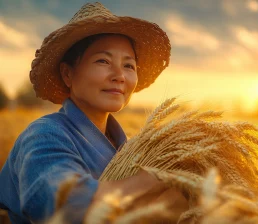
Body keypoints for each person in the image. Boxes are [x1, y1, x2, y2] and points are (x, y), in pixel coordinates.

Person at [0, 2, 188, 223]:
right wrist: (159, 179)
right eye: (103, 61)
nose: (119, 75)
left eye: (129, 66)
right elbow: (65, 207)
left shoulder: (128, 147)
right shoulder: (43, 135)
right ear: (68, 74)